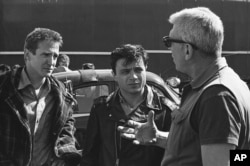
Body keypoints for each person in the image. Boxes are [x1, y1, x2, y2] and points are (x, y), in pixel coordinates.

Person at [118, 7, 250, 166]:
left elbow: (222, 160)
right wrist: (159, 138)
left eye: (169, 42)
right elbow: (207, 147)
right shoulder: (227, 84)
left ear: (187, 50)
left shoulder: (216, 95)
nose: (169, 49)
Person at [81, 44, 175, 166]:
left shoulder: (166, 109)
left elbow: (183, 150)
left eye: (138, 70)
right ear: (114, 75)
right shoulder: (101, 108)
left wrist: (159, 138)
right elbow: (89, 156)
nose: (134, 77)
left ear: (146, 68)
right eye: (125, 72)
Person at [0, 28, 81, 166]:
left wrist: (63, 153)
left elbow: (67, 126)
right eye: (45, 55)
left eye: (55, 56)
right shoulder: (4, 87)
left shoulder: (60, 92)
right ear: (27, 55)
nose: (51, 62)